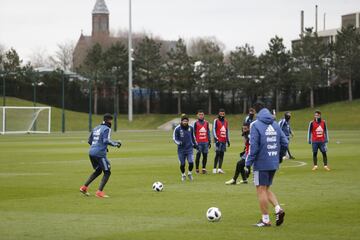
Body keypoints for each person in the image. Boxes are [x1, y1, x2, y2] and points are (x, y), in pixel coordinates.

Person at [245, 102, 288, 227]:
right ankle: (278, 209)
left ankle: (265, 220)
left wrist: (248, 164)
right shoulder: (275, 124)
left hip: (261, 163)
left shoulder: (255, 125)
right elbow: (284, 142)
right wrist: (279, 156)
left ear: (256, 111)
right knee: (266, 188)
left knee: (260, 190)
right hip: (273, 162)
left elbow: (254, 147)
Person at [79, 113, 121, 198]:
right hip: (99, 154)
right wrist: (116, 144)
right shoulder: (107, 128)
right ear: (109, 120)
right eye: (111, 121)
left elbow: (89, 141)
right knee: (107, 172)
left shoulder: (96, 128)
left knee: (98, 171)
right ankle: (99, 192)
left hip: (91, 152)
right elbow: (105, 140)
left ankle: (84, 187)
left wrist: (98, 147)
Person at [173, 114, 198, 181]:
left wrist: (195, 144)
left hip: (189, 149)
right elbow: (174, 138)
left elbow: (193, 137)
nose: (185, 122)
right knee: (182, 164)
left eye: (186, 121)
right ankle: (183, 174)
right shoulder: (177, 128)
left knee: (191, 162)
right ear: (181, 121)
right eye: (184, 121)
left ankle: (189, 173)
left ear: (188, 121)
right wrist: (179, 142)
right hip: (181, 150)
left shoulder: (191, 128)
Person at [193, 109, 211, 174]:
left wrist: (209, 141)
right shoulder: (195, 123)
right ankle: (197, 169)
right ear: (197, 115)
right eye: (199, 115)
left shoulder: (206, 123)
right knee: (198, 155)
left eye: (202, 115)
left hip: (205, 142)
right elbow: (193, 133)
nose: (201, 116)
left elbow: (208, 132)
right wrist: (194, 143)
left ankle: (204, 168)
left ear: (204, 115)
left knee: (205, 155)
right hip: (198, 142)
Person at [213, 108, 230, 174]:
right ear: (218, 113)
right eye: (221, 113)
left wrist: (228, 140)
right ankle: (214, 169)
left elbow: (227, 131)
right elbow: (214, 129)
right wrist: (216, 138)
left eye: (223, 113)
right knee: (217, 153)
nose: (222, 114)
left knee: (222, 154)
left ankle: (219, 169)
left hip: (224, 140)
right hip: (218, 140)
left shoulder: (226, 121)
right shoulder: (216, 121)